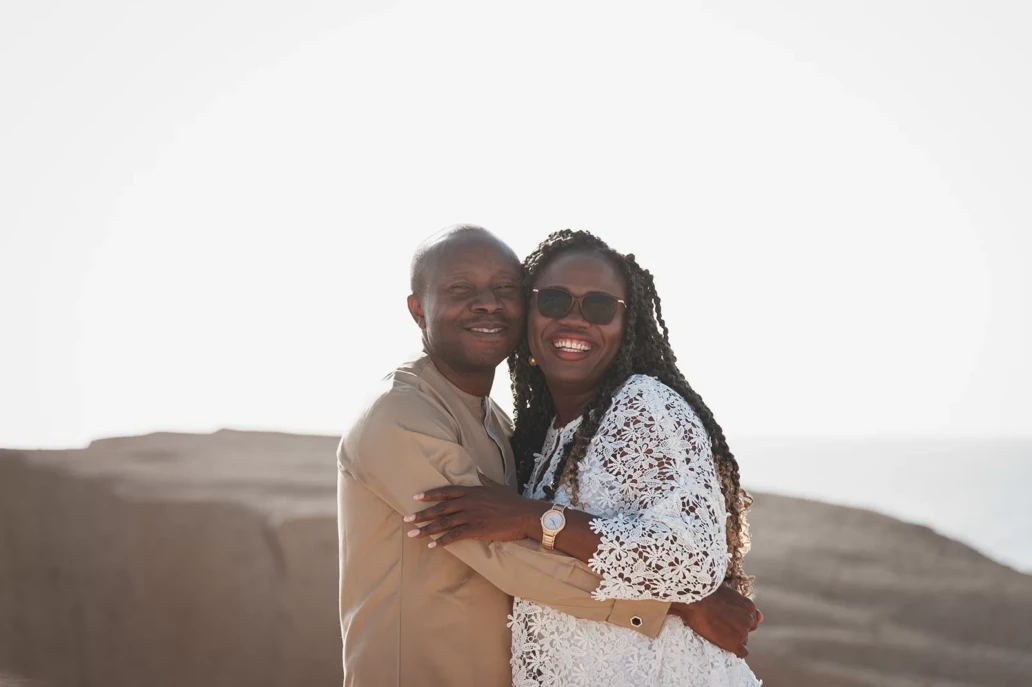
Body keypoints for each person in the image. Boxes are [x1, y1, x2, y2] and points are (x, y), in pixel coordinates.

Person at [337, 225, 760, 687]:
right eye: (555, 301)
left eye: (503, 290)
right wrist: (678, 604)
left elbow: (528, 533)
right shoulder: (399, 415)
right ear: (418, 310)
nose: (487, 303)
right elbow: (506, 552)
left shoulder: (515, 424)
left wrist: (534, 518)